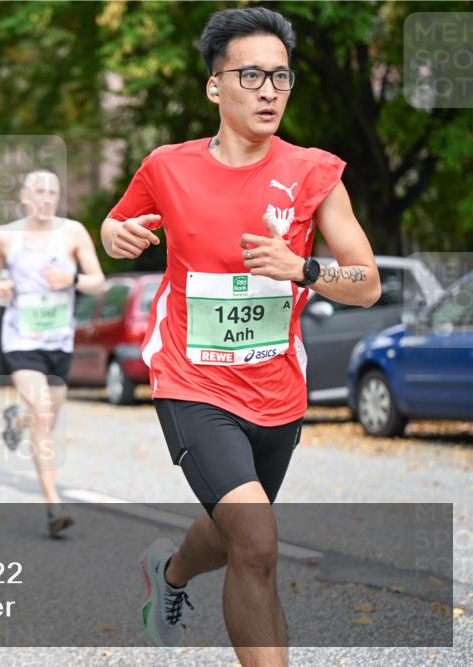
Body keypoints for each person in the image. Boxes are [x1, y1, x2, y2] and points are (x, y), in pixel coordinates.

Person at [100, 7, 380, 665]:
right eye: (251, 75)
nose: (269, 91)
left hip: (276, 387)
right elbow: (117, 227)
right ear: (214, 86)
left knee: (234, 535)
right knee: (255, 538)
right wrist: (114, 234)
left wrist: (302, 268)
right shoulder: (168, 167)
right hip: (191, 380)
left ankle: (169, 572)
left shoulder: (315, 173)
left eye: (280, 77)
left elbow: (365, 282)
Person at [0, 170, 105, 536]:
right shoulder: (6, 236)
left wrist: (74, 281)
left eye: (53, 191)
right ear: (24, 196)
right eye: (39, 190)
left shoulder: (73, 233)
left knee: (43, 418)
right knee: (43, 411)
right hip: (21, 340)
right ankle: (53, 505)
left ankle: (15, 419)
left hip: (58, 341)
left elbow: (98, 282)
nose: (46, 197)